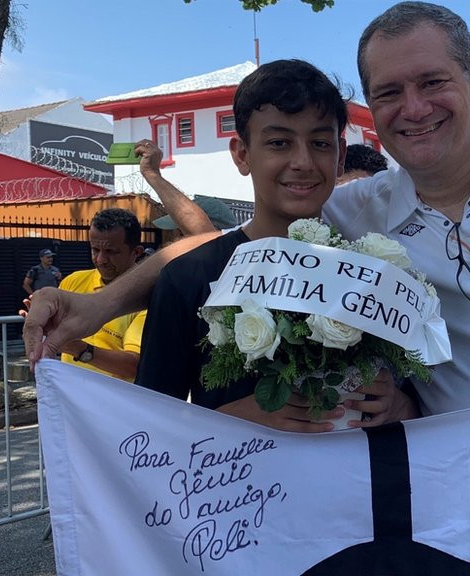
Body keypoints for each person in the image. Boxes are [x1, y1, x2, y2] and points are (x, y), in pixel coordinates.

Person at [25, 2, 470, 425]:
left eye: (433, 82)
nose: (414, 108)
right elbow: (226, 244)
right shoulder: (358, 205)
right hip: (461, 493)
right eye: (389, 92)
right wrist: (95, 308)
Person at [134, 59, 386, 432]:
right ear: (242, 154)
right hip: (231, 486)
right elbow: (147, 428)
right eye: (279, 143)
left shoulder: (368, 271)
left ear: (340, 156)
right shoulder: (189, 277)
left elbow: (413, 395)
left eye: (319, 143)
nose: (302, 162)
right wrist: (234, 421)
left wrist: (399, 404)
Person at [57, 209, 146, 382]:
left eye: (111, 252)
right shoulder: (73, 282)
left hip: (112, 405)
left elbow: (134, 366)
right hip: (70, 398)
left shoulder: (147, 298)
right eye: (95, 249)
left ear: (136, 252)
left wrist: (78, 349)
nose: (100, 259)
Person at [136, 138, 238, 237]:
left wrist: (151, 173)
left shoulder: (216, 251)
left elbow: (204, 239)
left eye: (183, 231)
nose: (176, 239)